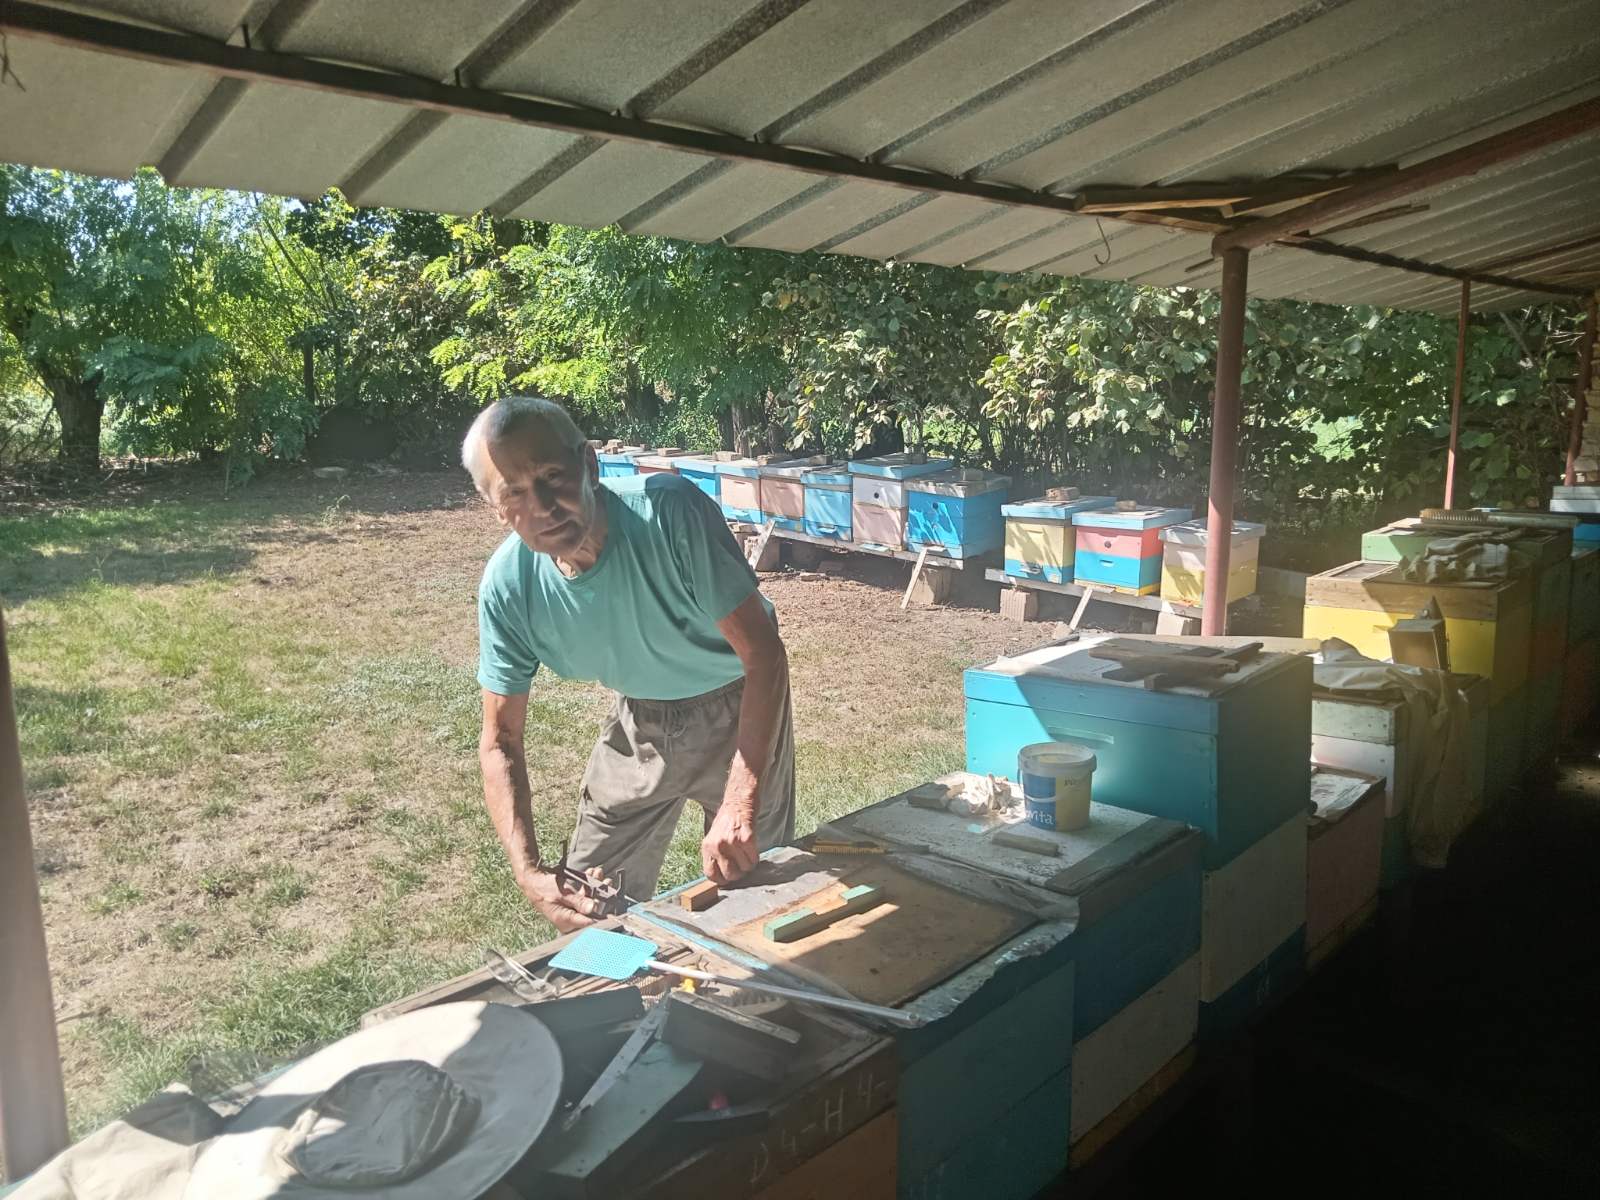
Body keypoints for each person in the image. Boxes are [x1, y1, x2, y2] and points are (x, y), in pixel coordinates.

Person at [462, 397, 795, 931]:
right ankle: (627, 984)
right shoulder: (509, 587)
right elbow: (500, 739)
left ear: (589, 465)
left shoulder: (669, 512)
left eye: (552, 476)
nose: (543, 506)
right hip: (638, 719)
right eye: (515, 492)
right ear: (495, 508)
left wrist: (741, 801)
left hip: (739, 706)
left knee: (754, 897)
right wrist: (527, 870)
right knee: (586, 903)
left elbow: (763, 654)